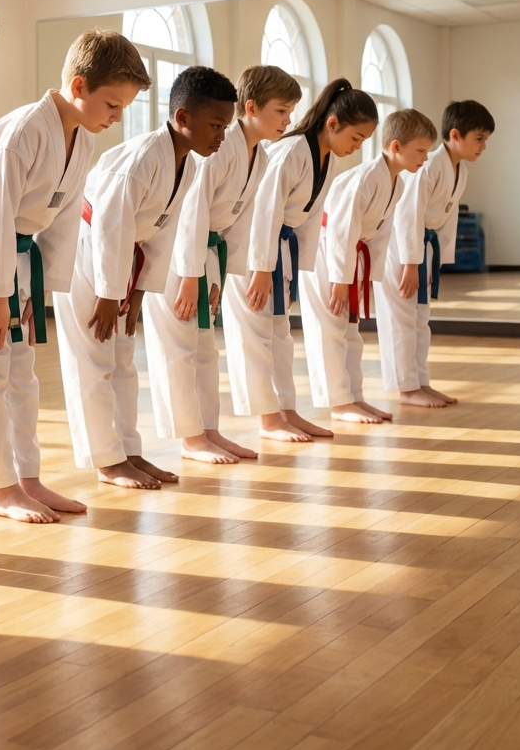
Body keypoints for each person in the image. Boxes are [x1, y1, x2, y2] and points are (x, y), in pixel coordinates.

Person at [0, 30, 148, 523]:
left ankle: (27, 478)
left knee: (21, 376)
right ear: (79, 85)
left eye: (122, 109)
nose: (116, 118)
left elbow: (61, 223)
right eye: (112, 105)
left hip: (19, 258)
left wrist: (41, 291)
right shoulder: (23, 132)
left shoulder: (82, 141)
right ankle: (0, 488)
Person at [54, 66, 235, 489]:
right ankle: (107, 459)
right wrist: (107, 293)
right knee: (93, 361)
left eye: (225, 127)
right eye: (214, 126)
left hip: (122, 264)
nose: (221, 137)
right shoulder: (139, 160)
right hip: (90, 255)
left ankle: (128, 451)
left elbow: (161, 234)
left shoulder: (185, 165)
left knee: (122, 363)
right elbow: (110, 227)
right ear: (183, 118)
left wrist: (138, 293)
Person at [143, 65, 302, 464]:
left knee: (204, 350)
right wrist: (192, 277)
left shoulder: (258, 155)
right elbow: (192, 212)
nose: (288, 120)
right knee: (178, 348)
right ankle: (189, 438)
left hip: (209, 255)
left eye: (290, 112)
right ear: (251, 108)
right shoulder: (217, 146)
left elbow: (242, 221)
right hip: (179, 254)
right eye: (281, 111)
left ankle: (208, 430)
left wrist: (228, 275)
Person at [224, 79, 379, 442]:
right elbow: (264, 209)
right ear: (332, 124)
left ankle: (287, 412)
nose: (357, 148)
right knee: (256, 335)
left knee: (280, 336)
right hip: (252, 249)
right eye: (355, 138)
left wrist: (297, 273)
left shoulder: (326, 159)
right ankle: (267, 419)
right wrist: (261, 269)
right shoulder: (291, 150)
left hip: (281, 251)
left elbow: (308, 221)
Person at [300, 109, 438, 424]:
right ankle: (338, 402)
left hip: (352, 259)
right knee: (331, 329)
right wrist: (339, 279)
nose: (425, 158)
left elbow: (379, 238)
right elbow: (340, 230)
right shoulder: (363, 178)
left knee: (352, 332)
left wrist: (369, 280)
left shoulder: (397, 184)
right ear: (396, 146)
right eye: (420, 151)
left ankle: (354, 397)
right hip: (327, 256)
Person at [374, 100, 495, 407]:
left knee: (420, 319)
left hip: (423, 248)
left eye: (486, 140)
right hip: (400, 249)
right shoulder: (428, 164)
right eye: (479, 138)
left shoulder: (458, 170)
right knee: (401, 317)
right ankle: (405, 387)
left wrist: (437, 262)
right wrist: (411, 264)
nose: (483, 147)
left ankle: (420, 382)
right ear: (455, 134)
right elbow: (407, 214)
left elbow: (444, 219)